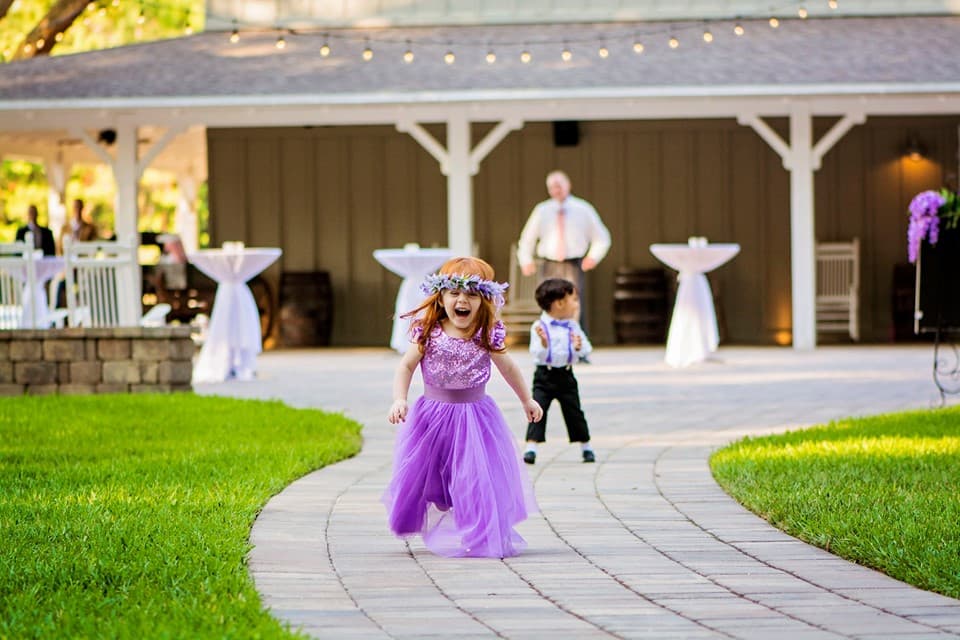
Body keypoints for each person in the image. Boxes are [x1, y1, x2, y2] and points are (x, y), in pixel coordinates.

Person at [384, 256, 543, 558]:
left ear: (484, 301)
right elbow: (405, 367)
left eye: (471, 294)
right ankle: (430, 512)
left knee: (475, 478)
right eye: (454, 293)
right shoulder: (429, 332)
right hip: (431, 417)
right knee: (431, 479)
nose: (462, 300)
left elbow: (509, 369)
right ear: (440, 297)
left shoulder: (486, 335)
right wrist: (399, 399)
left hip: (475, 417)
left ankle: (480, 531)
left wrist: (527, 399)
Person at [517, 170, 611, 334]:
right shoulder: (542, 210)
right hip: (549, 264)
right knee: (549, 303)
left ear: (568, 185)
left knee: (573, 304)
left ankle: (576, 345)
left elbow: (602, 237)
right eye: (552, 186)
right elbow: (527, 238)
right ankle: (548, 344)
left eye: (559, 185)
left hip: (573, 263)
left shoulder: (583, 209)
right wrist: (526, 260)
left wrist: (593, 257)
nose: (556, 190)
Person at [522, 278, 595, 465]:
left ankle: (586, 446)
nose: (576, 304)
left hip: (566, 374)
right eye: (574, 299)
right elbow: (535, 352)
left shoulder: (573, 326)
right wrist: (545, 344)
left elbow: (587, 348)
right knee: (538, 409)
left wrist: (579, 348)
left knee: (574, 410)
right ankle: (531, 447)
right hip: (544, 375)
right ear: (560, 303)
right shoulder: (539, 327)